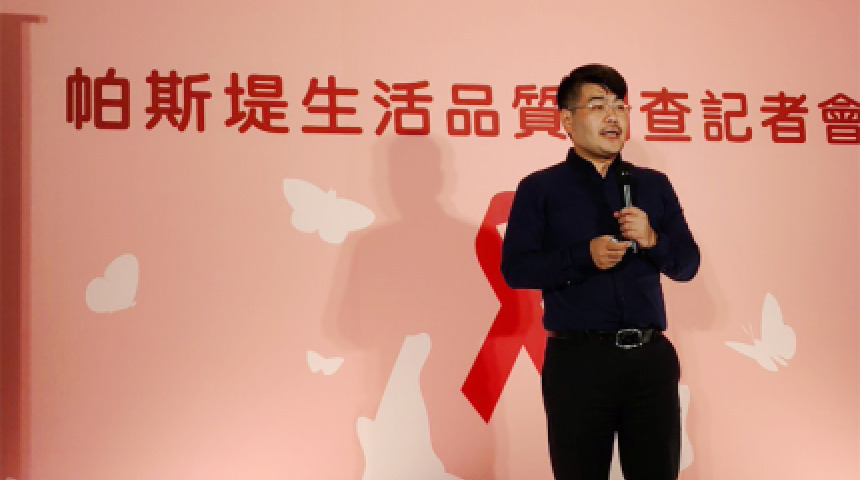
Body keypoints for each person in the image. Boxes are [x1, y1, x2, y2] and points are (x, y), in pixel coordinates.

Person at [500, 64, 700, 480]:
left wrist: (652, 239)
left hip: (650, 359)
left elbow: (687, 264)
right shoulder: (540, 188)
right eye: (598, 106)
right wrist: (582, 257)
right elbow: (517, 269)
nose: (613, 117)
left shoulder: (653, 185)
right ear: (567, 120)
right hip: (578, 362)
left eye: (620, 107)